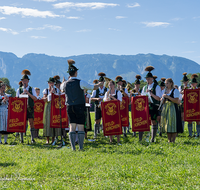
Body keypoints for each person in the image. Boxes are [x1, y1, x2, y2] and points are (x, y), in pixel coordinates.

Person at [61, 59, 103, 151]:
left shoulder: (64, 84)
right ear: (76, 73)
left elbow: (62, 88)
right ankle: (80, 147)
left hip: (69, 106)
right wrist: (99, 84)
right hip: (79, 106)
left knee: (72, 126)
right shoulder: (81, 82)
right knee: (80, 126)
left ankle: (73, 148)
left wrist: (65, 80)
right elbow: (93, 87)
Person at [16, 69, 37, 144]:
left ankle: (32, 138)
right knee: (22, 123)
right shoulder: (19, 89)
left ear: (28, 81)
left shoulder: (32, 89)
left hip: (30, 107)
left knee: (31, 123)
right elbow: (16, 100)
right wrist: (21, 95)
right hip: (22, 109)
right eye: (23, 80)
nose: (24, 82)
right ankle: (21, 139)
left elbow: (35, 98)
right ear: (22, 81)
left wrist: (28, 93)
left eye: (25, 80)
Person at [141, 66, 162, 142]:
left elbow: (159, 98)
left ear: (152, 79)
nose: (147, 80)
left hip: (154, 106)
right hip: (146, 106)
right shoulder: (144, 87)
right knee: (145, 121)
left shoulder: (157, 87)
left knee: (153, 121)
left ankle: (153, 138)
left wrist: (151, 94)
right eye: (146, 79)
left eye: (149, 79)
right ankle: (145, 137)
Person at [161, 78, 183, 142]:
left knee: (174, 123)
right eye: (165, 84)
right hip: (166, 108)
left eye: (167, 83)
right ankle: (169, 140)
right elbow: (162, 102)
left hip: (173, 108)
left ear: (171, 83)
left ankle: (173, 140)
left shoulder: (175, 90)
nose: (166, 85)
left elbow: (176, 101)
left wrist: (168, 97)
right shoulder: (164, 91)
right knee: (167, 124)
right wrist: (162, 100)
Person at [103, 80, 122, 145]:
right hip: (109, 112)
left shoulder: (118, 92)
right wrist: (107, 100)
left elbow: (120, 102)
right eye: (109, 85)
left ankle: (118, 140)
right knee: (110, 124)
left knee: (117, 124)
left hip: (116, 112)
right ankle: (111, 140)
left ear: (114, 85)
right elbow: (104, 101)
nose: (110, 86)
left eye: (111, 85)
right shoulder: (107, 93)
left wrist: (113, 98)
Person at [91, 73, 107, 138]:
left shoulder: (106, 89)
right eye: (100, 82)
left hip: (104, 106)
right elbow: (91, 98)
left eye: (102, 82)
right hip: (97, 106)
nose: (101, 83)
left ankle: (105, 132)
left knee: (105, 119)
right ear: (99, 82)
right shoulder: (96, 89)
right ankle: (95, 134)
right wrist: (97, 99)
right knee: (97, 120)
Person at [43, 77, 56, 144]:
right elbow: (44, 99)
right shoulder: (46, 90)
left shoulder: (56, 90)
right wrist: (49, 95)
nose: (51, 84)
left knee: (54, 121)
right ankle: (47, 139)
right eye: (50, 83)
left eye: (52, 83)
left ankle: (53, 139)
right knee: (48, 122)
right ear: (48, 83)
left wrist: (54, 93)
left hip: (55, 107)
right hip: (48, 106)